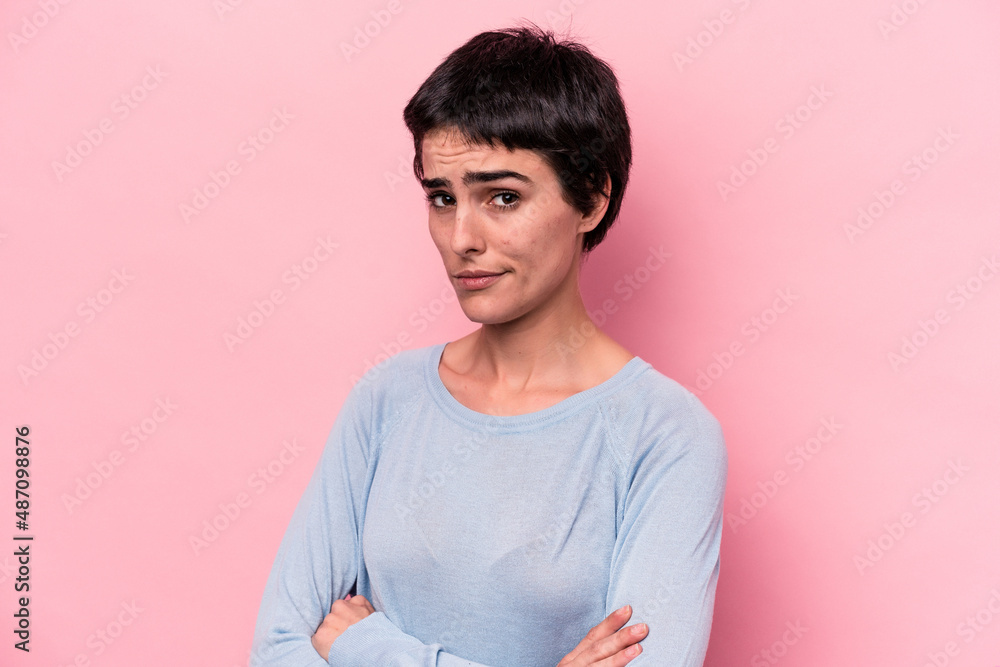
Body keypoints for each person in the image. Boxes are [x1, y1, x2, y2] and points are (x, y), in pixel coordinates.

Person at [250, 22, 727, 666]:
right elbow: (278, 647)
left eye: (502, 197)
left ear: (591, 198)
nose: (461, 237)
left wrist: (369, 647)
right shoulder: (387, 401)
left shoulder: (666, 437)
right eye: (442, 197)